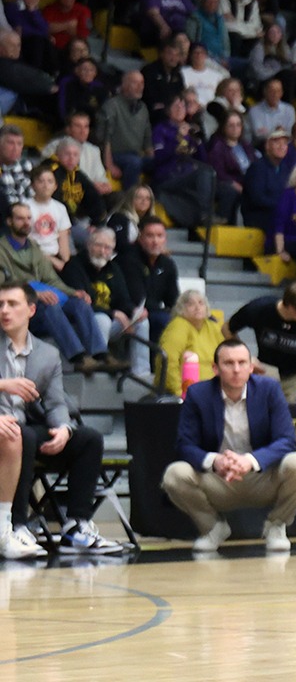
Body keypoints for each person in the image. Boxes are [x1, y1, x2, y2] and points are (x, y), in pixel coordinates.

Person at [0, 281, 128, 557]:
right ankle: (18, 525)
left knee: (88, 438)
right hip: (7, 432)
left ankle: (76, 527)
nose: (5, 311)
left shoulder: (47, 354)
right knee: (25, 434)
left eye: (12, 304)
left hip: (27, 431)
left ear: (31, 310)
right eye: (0, 305)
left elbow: (56, 401)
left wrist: (63, 428)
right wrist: (3, 384)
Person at [160, 338, 296, 553]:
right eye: (228, 363)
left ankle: (276, 525)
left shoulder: (269, 389)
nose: (236, 369)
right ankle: (213, 528)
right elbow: (185, 445)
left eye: (242, 363)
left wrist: (249, 461)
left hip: (262, 476)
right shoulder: (198, 394)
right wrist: (216, 461)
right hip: (219, 479)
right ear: (215, 368)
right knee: (175, 474)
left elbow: (287, 440)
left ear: (251, 367)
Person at [0, 202, 111, 372]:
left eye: (28, 218)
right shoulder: (1, 249)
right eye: (20, 218)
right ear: (9, 222)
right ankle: (78, 358)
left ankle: (100, 355)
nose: (26, 222)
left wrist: (74, 292)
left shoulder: (34, 247)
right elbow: (3, 286)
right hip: (22, 309)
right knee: (50, 307)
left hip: (41, 300)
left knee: (79, 304)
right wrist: (33, 293)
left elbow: (51, 280)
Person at [62, 227, 148, 384]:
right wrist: (112, 313)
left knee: (143, 321)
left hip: (110, 322)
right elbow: (77, 305)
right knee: (102, 319)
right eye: (98, 245)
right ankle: (97, 366)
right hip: (81, 325)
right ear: (89, 245)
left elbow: (123, 300)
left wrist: (133, 311)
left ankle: (141, 374)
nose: (102, 251)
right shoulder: (74, 266)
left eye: (107, 247)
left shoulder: (114, 268)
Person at [159, 289, 224, 397]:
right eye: (191, 304)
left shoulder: (213, 326)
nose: (197, 307)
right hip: (187, 390)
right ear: (181, 309)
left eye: (201, 303)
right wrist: (179, 392)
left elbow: (225, 355)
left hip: (215, 387)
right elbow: (168, 361)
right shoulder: (178, 326)